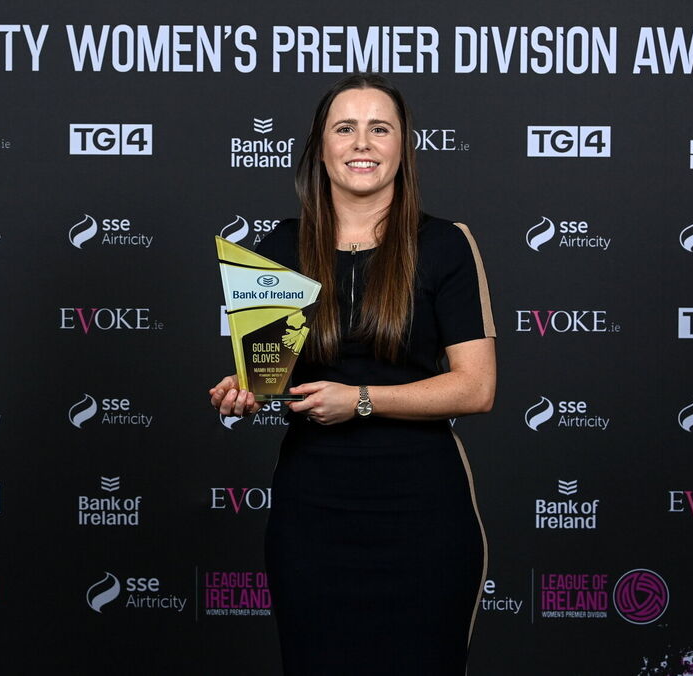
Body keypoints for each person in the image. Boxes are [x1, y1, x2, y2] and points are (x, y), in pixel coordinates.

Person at [209, 73, 496, 675]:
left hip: (424, 513)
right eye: (345, 128)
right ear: (320, 148)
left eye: (379, 128)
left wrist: (361, 399)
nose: (362, 142)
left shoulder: (445, 244)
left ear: (402, 147)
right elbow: (265, 377)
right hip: (312, 515)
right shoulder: (277, 247)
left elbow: (475, 386)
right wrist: (241, 389)